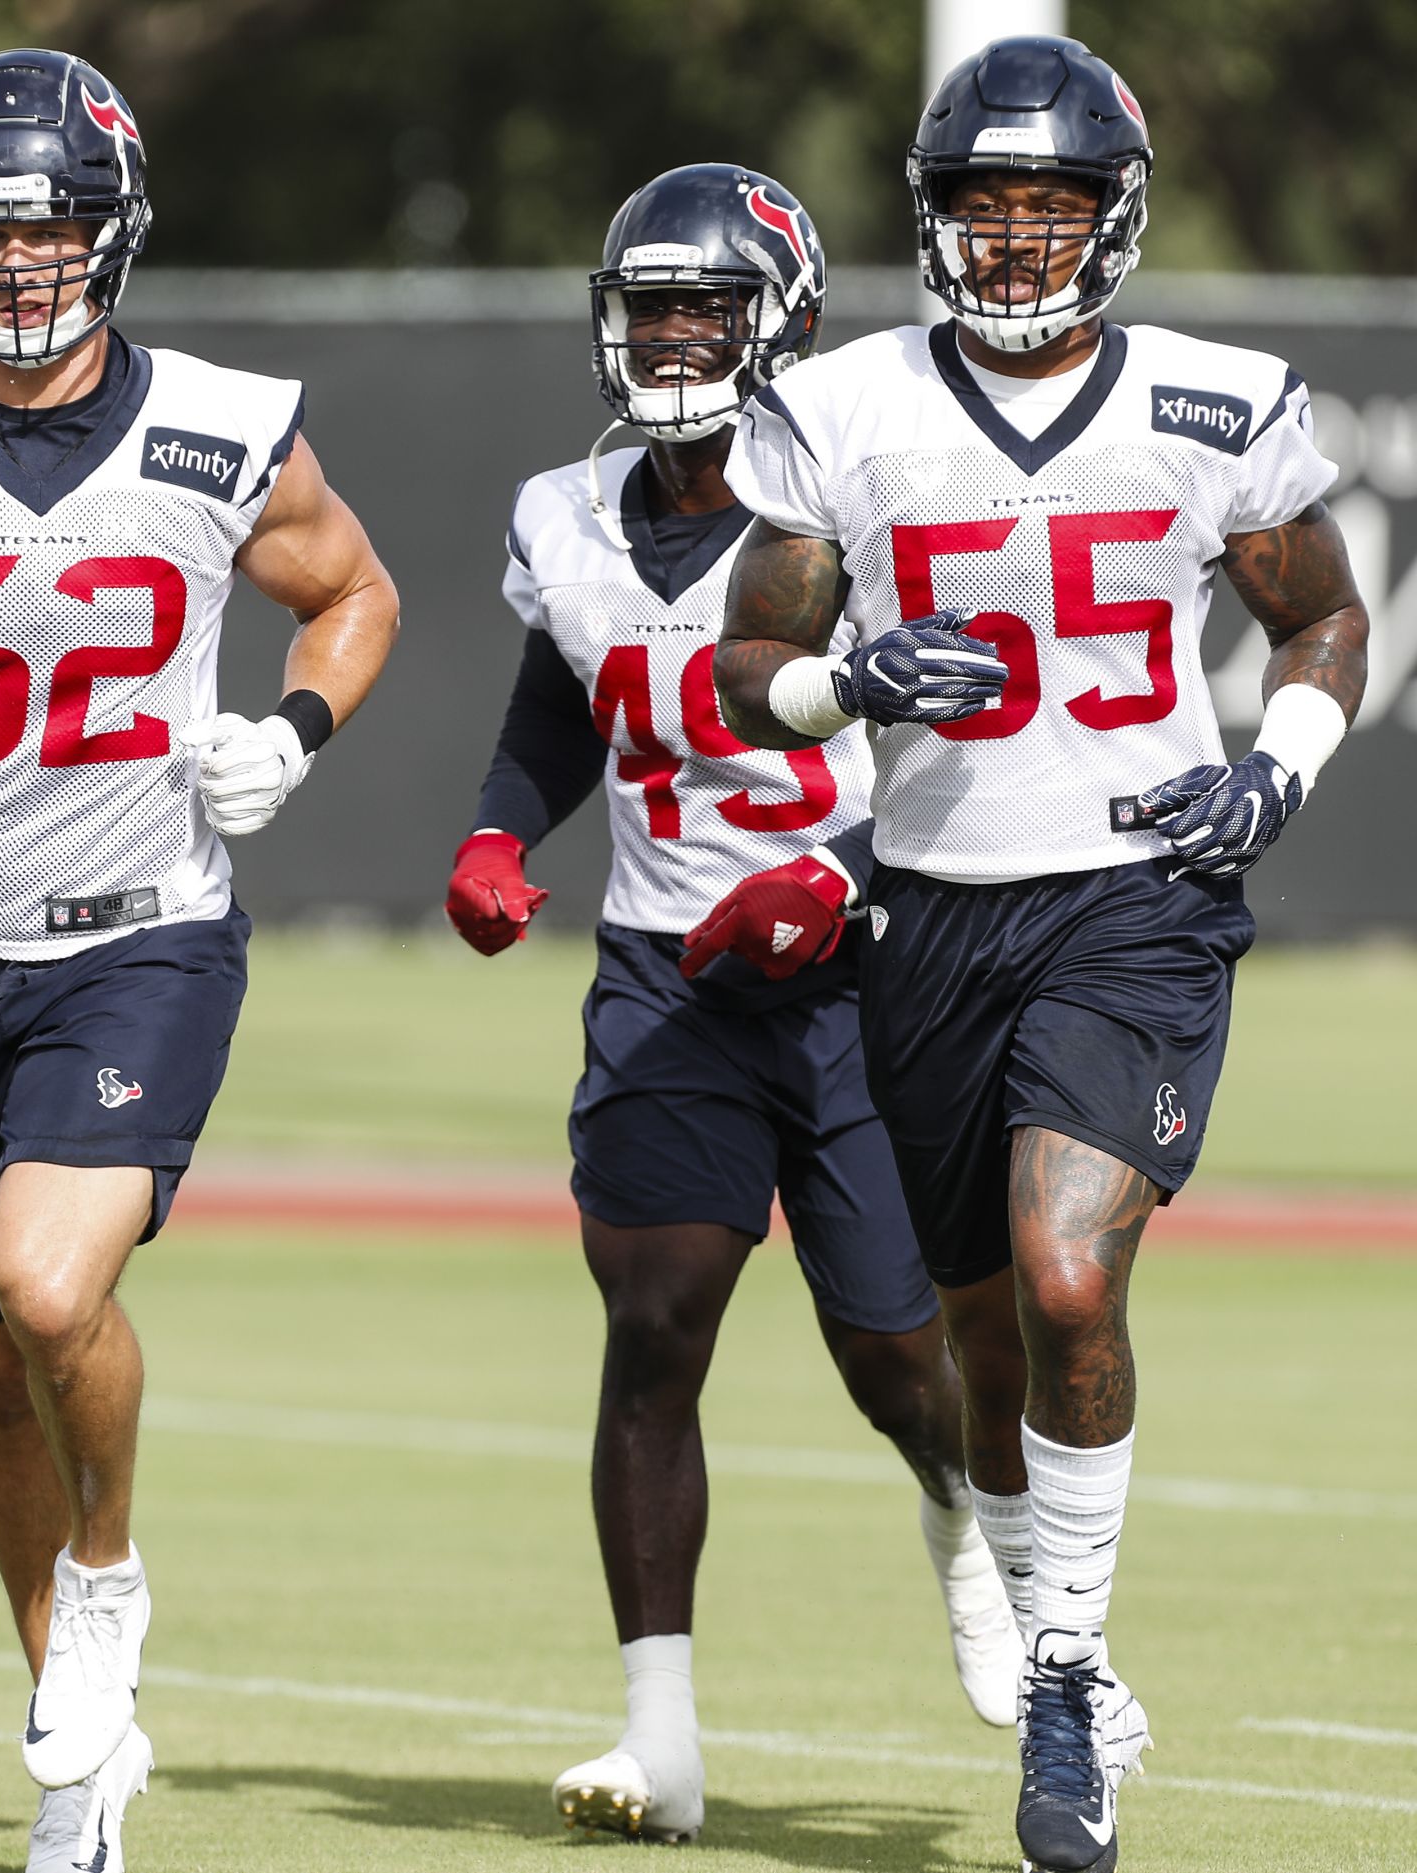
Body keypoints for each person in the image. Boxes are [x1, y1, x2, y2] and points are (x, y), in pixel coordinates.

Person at [715, 37, 1369, 1873]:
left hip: (1138, 895)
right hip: (932, 903)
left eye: (1052, 207)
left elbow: (1318, 613)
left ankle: (1068, 1670)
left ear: (1114, 218)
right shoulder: (842, 408)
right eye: (985, 210)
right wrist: (847, 679)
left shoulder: (1212, 399)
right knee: (978, 1333)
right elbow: (742, 669)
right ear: (934, 222)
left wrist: (1280, 765)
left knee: (1067, 1270)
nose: (1016, 243)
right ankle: (1041, 1605)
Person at [0, 48, 399, 1873]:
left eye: (52, 233)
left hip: (143, 941)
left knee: (46, 1290)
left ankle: (107, 1581)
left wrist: (301, 727)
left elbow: (355, 589)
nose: (22, 267)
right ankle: (73, 1775)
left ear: (111, 238)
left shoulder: (222, 421)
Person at [443, 163, 1022, 1847]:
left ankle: (959, 1512)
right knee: (652, 1319)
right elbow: (563, 692)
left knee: (897, 1359)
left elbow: (958, 730)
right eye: (653, 306)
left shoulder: (856, 487)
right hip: (665, 967)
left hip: (859, 961)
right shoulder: (564, 509)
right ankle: (662, 1732)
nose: (677, 337)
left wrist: (841, 877)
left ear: (778, 320)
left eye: (708, 306)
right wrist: (494, 826)